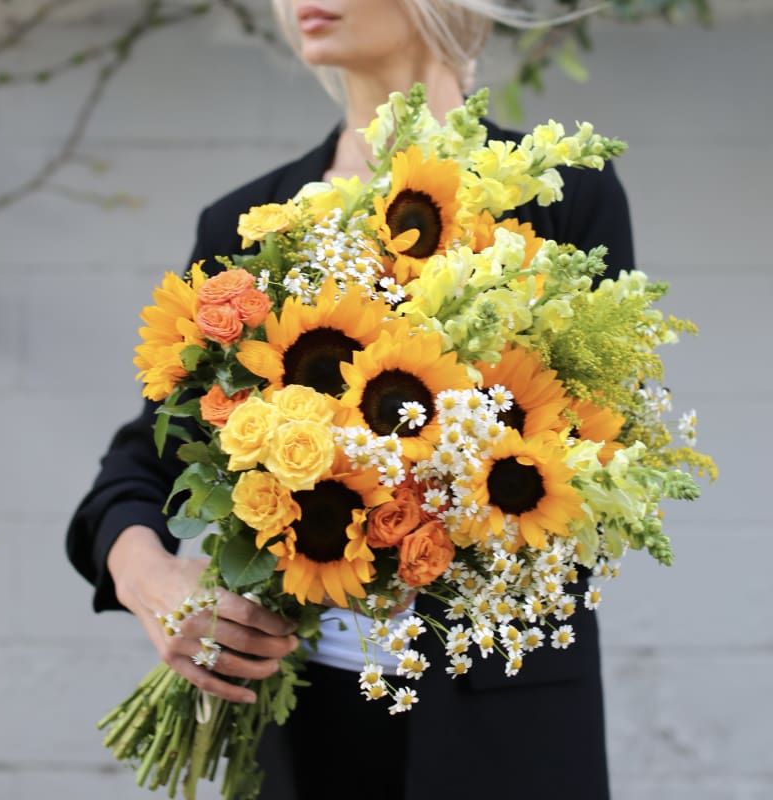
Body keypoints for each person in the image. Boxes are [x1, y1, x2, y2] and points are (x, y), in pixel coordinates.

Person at [67, 1, 635, 798]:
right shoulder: (245, 222)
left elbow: (598, 453)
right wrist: (153, 586)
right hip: (300, 719)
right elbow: (144, 459)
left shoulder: (557, 194)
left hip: (501, 727)